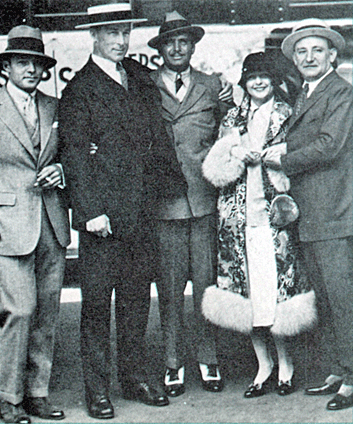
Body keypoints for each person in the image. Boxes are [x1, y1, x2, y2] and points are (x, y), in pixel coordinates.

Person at [58, 2, 188, 419]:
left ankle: (133, 379)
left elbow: (157, 137)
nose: (120, 40)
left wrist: (170, 189)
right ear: (93, 37)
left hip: (142, 211)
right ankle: (97, 390)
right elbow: (75, 155)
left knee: (135, 301)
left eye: (125, 31)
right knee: (96, 306)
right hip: (103, 220)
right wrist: (90, 211)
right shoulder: (79, 89)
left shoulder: (138, 78)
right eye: (111, 33)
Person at [202, 51, 316, 398]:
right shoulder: (233, 118)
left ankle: (286, 365)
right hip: (238, 221)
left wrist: (273, 156)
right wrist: (236, 154)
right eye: (252, 77)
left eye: (264, 76)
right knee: (249, 294)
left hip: (276, 220)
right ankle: (262, 365)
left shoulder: (288, 114)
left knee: (276, 291)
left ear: (274, 79)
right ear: (244, 82)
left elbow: (300, 156)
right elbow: (214, 170)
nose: (258, 82)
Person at [0, 25, 71, 423]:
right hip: (7, 223)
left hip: (52, 222)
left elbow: (72, 155)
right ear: (6, 68)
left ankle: (37, 393)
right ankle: (10, 399)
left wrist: (61, 171)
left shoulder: (54, 106)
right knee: (19, 310)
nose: (30, 70)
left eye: (36, 63)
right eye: (22, 63)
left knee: (47, 311)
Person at [264, 18, 353, 411]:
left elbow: (329, 146)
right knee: (326, 299)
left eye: (318, 50)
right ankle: (339, 369)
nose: (309, 57)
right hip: (313, 213)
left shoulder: (341, 93)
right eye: (302, 51)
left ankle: (352, 379)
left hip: (334, 211)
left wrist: (282, 158)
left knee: (342, 298)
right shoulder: (307, 91)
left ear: (333, 55)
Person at [147, 10, 233, 397]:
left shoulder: (214, 86)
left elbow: (230, 132)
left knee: (206, 286)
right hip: (163, 203)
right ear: (160, 49)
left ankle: (208, 358)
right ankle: (172, 363)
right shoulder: (144, 86)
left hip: (203, 201)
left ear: (193, 46)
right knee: (168, 286)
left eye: (184, 42)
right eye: (170, 42)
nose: (177, 48)